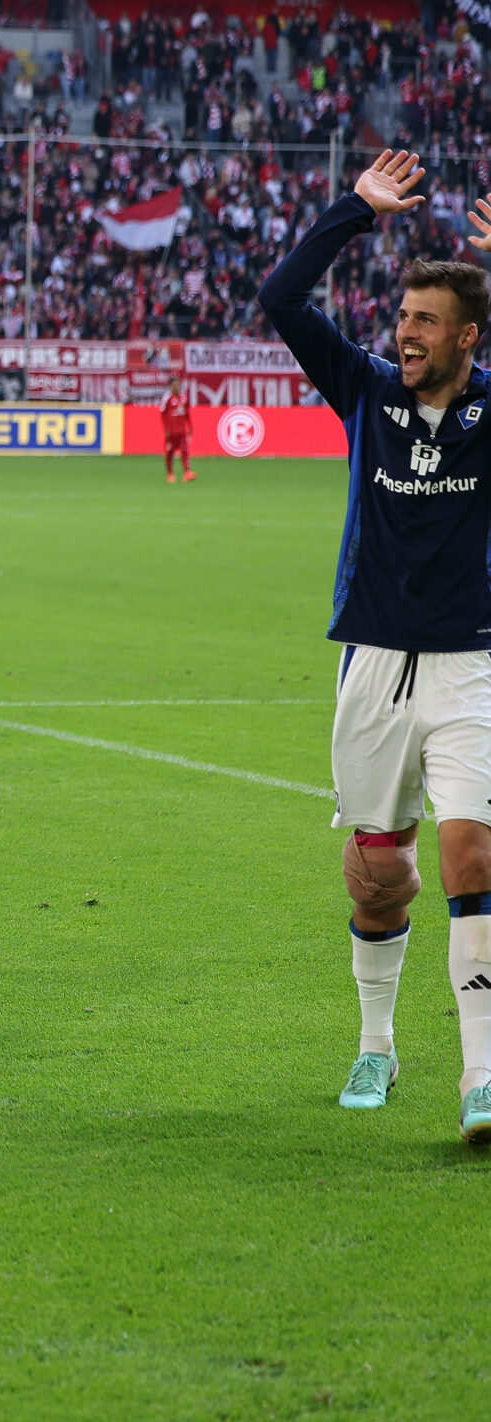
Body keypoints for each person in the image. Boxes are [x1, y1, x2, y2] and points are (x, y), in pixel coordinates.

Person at [256, 154, 491, 1140]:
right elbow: (279, 296)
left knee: (468, 849)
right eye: (402, 315)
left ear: (467, 336)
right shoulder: (361, 388)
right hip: (372, 662)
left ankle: (481, 1073)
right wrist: (353, 209)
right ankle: (377, 1041)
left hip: (471, 660)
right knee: (378, 871)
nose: (404, 329)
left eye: (426, 318)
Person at [160, 381, 194, 483]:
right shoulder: (167, 398)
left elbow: (187, 413)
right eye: (174, 384)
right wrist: (166, 428)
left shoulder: (184, 398)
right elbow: (163, 414)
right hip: (171, 432)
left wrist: (190, 425)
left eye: (178, 384)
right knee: (169, 453)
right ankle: (170, 474)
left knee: (185, 451)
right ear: (171, 386)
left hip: (182, 430)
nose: (177, 386)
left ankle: (187, 472)